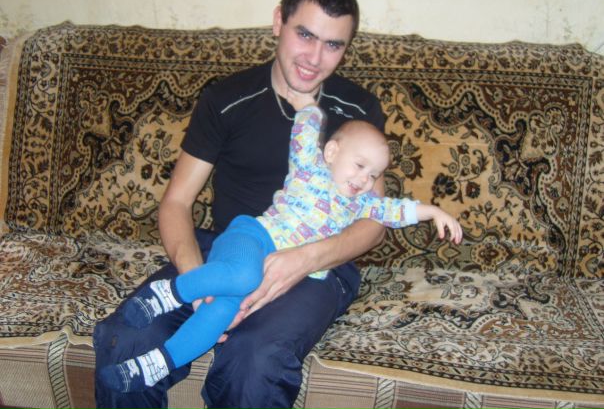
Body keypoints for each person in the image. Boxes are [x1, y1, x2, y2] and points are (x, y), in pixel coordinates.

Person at [92, 0, 453, 409]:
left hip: (320, 263)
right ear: (279, 21)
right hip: (230, 249)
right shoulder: (227, 98)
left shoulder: (358, 110)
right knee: (127, 339)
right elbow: (177, 202)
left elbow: (373, 221)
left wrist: (304, 260)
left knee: (255, 362)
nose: (315, 58)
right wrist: (197, 279)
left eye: (333, 44)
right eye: (305, 34)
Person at [97, 94, 463, 393]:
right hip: (252, 238)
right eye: (359, 165)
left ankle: (155, 365)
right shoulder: (310, 167)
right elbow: (305, 130)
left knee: (221, 315)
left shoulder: (360, 203)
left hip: (280, 265)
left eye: (374, 174)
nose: (365, 179)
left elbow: (396, 210)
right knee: (243, 276)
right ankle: (169, 293)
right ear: (332, 152)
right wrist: (311, 106)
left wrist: (433, 212)